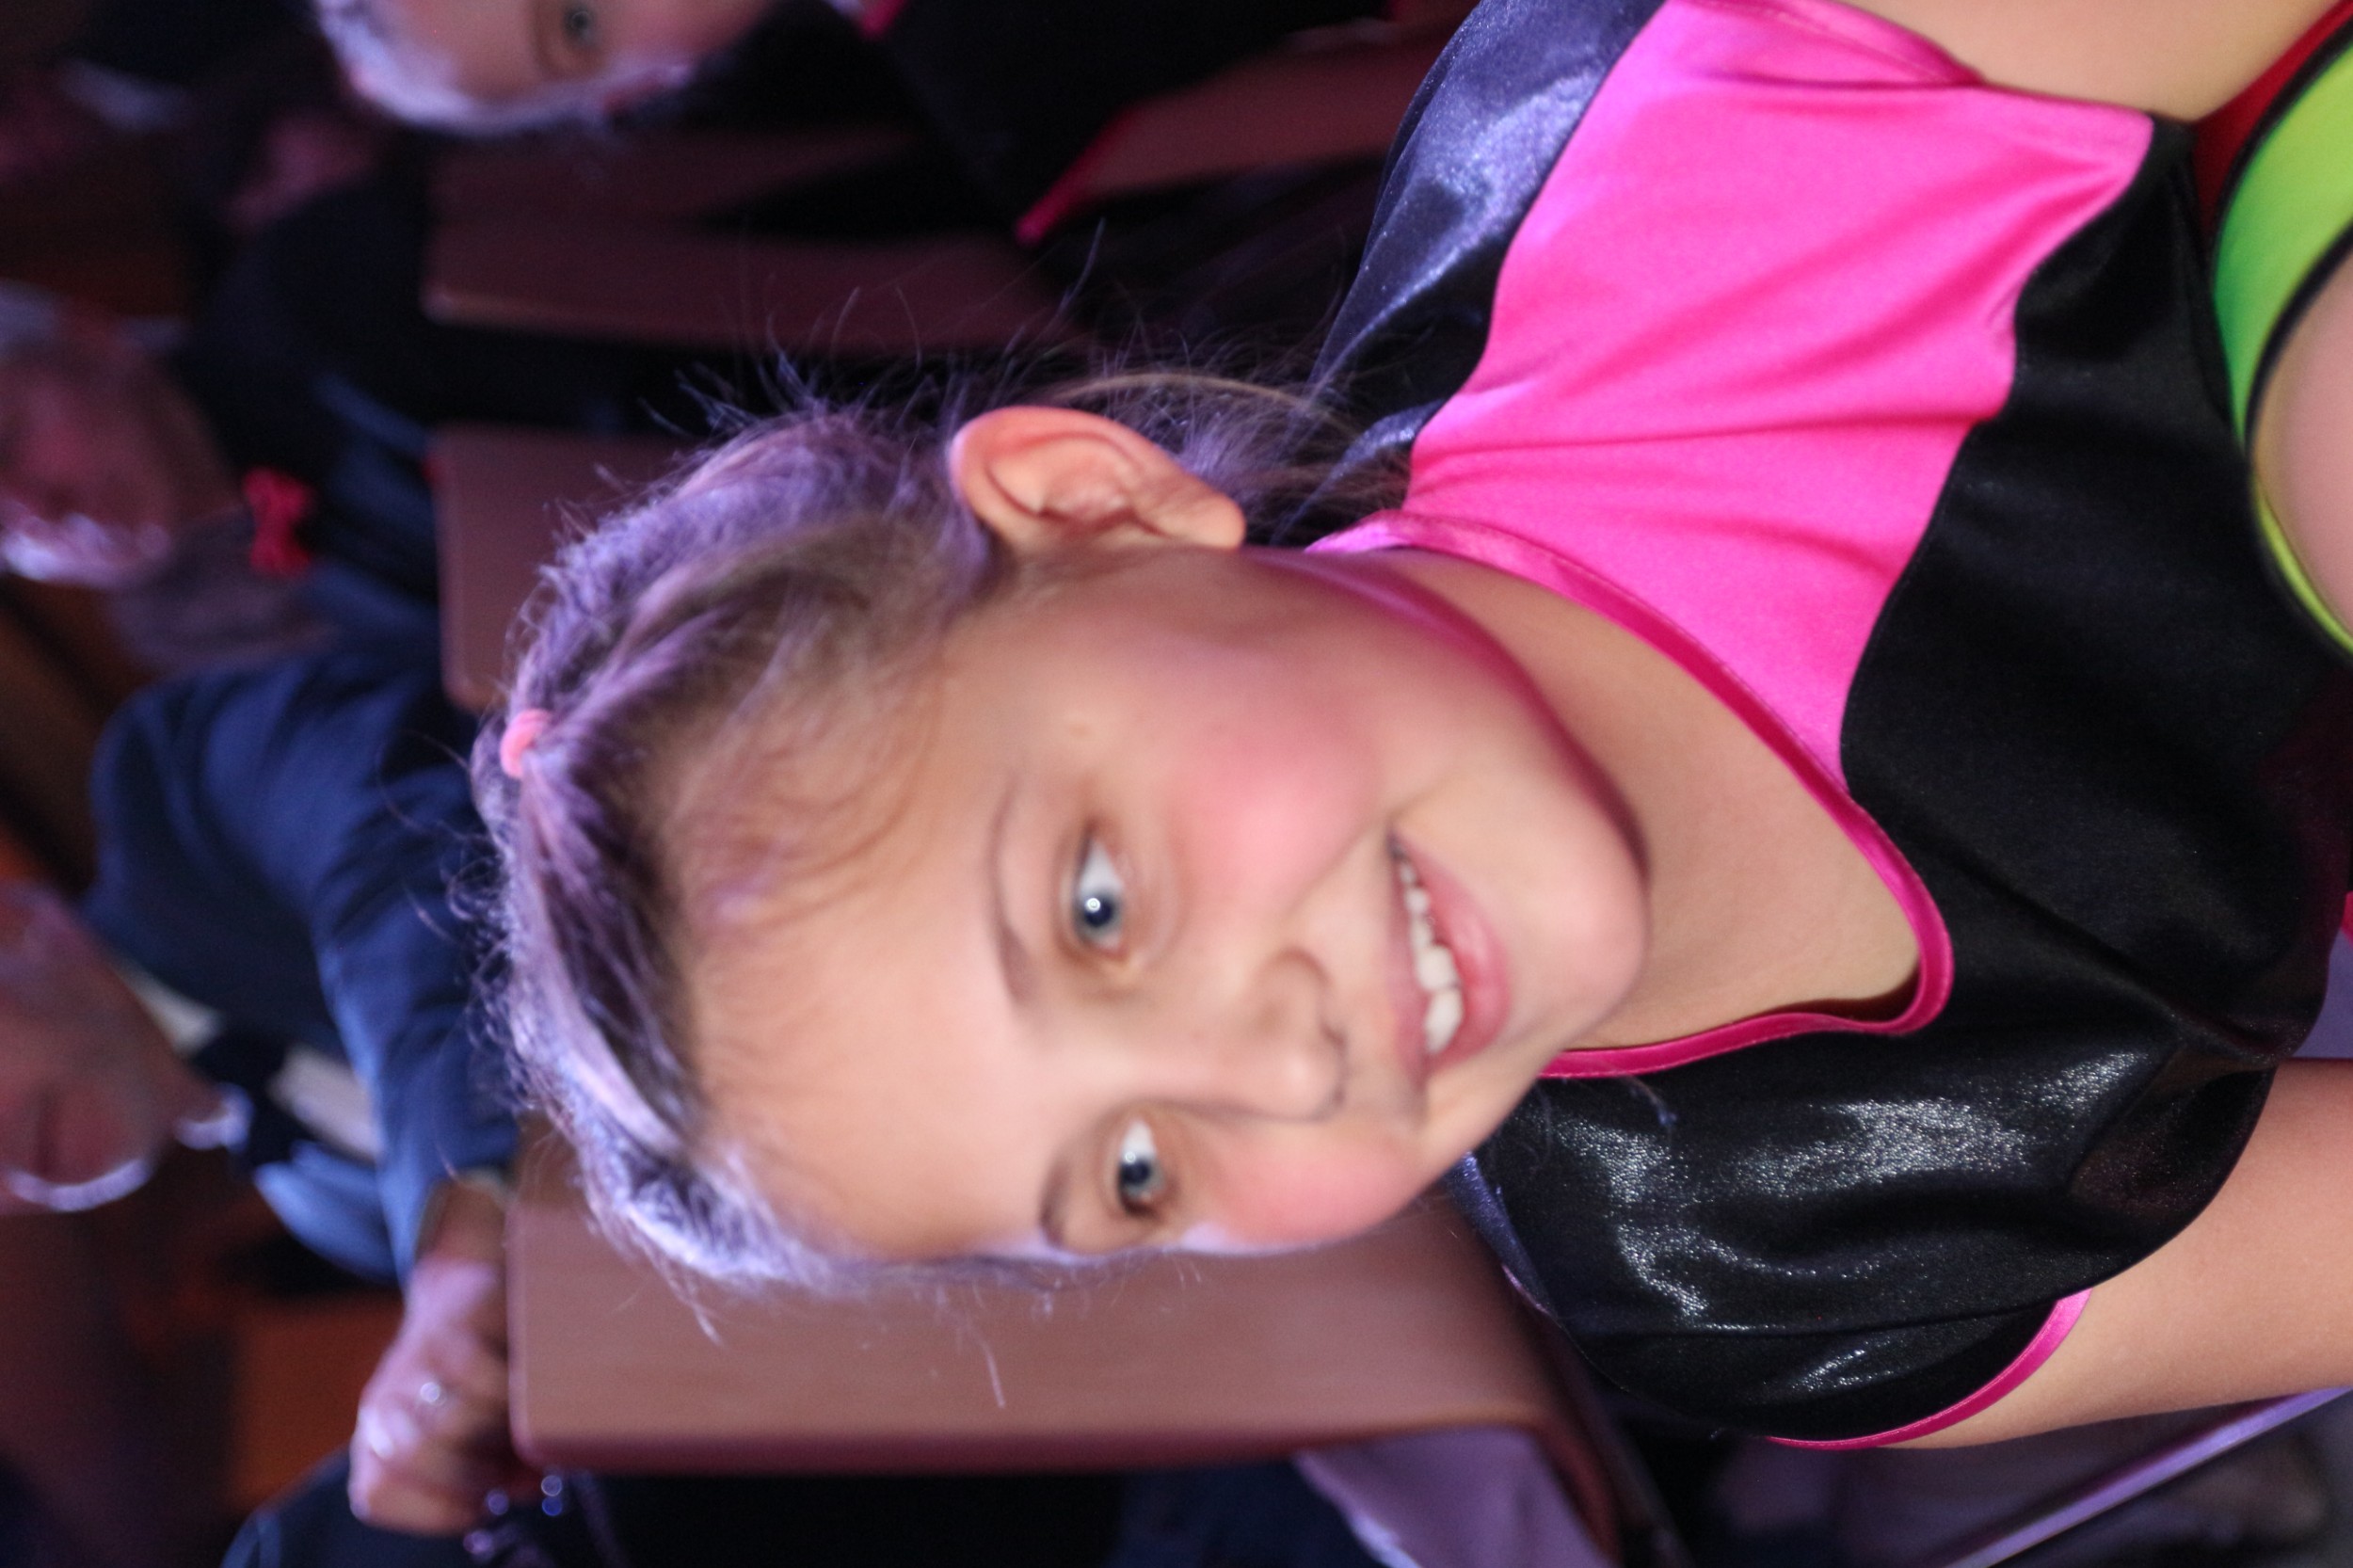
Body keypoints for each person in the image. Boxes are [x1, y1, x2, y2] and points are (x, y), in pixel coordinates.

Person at [470, 0, 2353, 1452]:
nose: (1276, 1070)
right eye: (1136, 1174)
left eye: (1098, 906)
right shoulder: (1782, 1281)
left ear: (1098, 510)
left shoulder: (1663, 171)